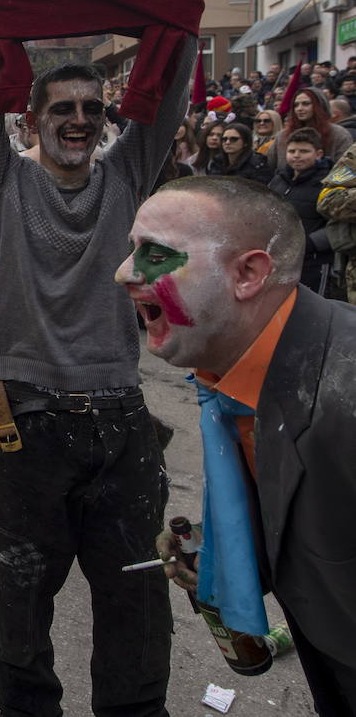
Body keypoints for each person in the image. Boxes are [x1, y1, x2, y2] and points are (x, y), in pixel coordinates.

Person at [0, 45, 194, 716]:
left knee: (139, 602)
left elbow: (170, 97)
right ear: (31, 118)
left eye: (93, 109)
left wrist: (172, 22)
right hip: (29, 425)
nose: (79, 119)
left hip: (122, 422)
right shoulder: (3, 180)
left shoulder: (125, 177)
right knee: (20, 604)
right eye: (62, 108)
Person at [118, 177, 356, 715]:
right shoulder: (236, 377)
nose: (124, 273)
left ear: (248, 273)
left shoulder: (346, 391)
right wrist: (225, 552)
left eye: (153, 254)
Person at [268, 127, 335, 293]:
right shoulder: (279, 178)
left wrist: (309, 243)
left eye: (304, 151)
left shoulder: (329, 184)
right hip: (280, 256)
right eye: (292, 151)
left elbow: (335, 225)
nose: (296, 155)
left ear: (318, 154)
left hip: (313, 260)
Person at [206, 122, 271, 183]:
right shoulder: (217, 161)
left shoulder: (258, 164)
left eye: (233, 139)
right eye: (224, 139)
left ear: (245, 142)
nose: (227, 142)